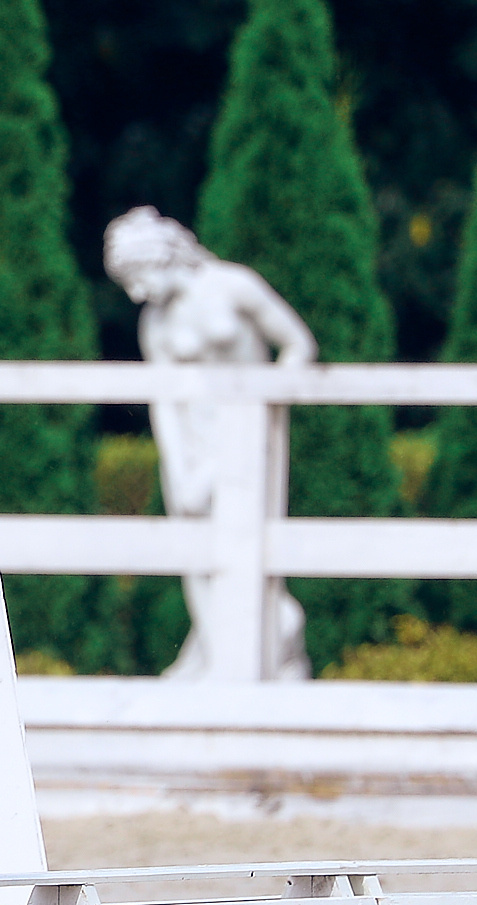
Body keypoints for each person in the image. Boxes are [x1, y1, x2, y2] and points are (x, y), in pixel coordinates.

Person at [102, 205, 316, 680]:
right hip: (190, 448)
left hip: (245, 442)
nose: (136, 292)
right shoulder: (154, 324)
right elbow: (165, 402)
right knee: (198, 562)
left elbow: (298, 346)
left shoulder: (234, 286)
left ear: (160, 257)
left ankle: (276, 639)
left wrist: (268, 406)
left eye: (138, 276)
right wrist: (179, 471)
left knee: (246, 549)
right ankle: (218, 658)